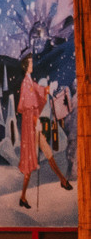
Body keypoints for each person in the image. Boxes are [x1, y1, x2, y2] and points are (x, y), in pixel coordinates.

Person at [17, 55, 74, 208]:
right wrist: (36, 122)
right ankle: (22, 197)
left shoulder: (30, 82)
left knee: (48, 153)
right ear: (25, 66)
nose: (32, 64)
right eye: (30, 63)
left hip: (35, 128)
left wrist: (50, 88)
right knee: (30, 164)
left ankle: (62, 180)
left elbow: (40, 91)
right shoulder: (25, 83)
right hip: (32, 130)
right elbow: (28, 106)